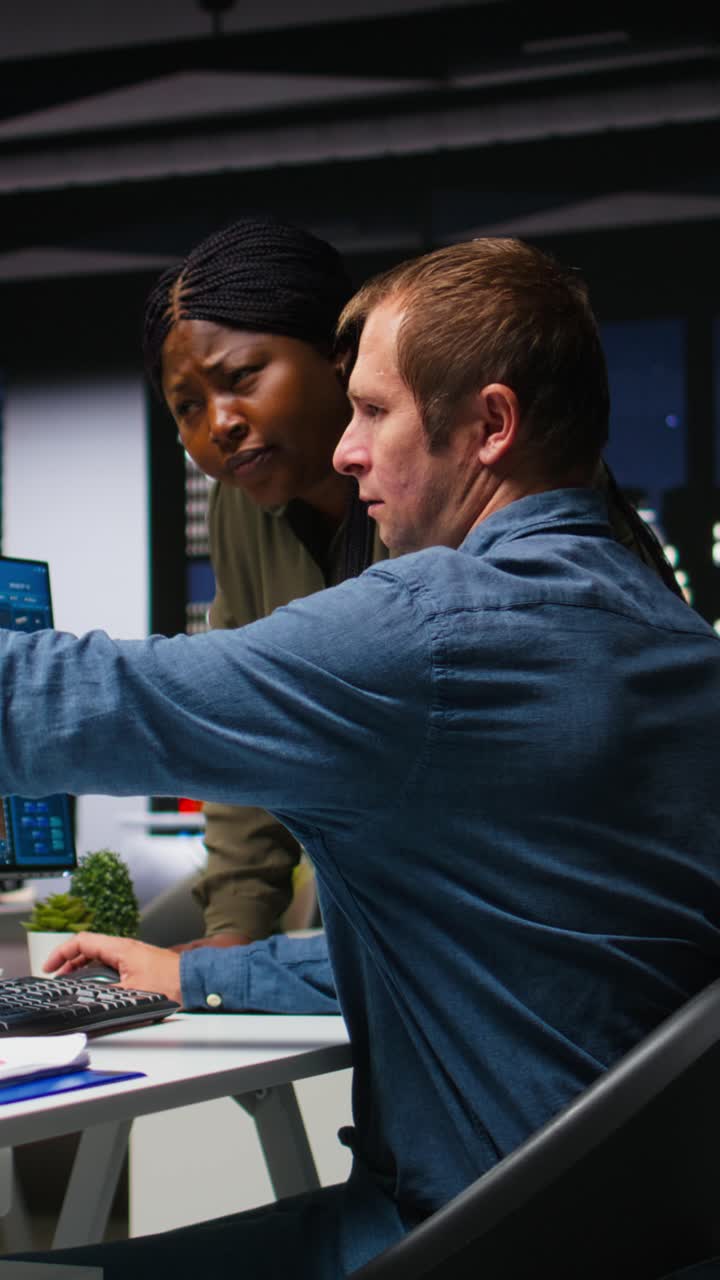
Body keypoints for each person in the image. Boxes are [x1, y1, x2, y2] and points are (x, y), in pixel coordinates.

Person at [3, 236, 719, 1279]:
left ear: (490, 426)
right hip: (630, 1237)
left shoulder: (424, 633)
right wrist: (201, 972)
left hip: (453, 1237)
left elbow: (70, 700)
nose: (346, 449)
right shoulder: (675, 639)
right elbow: (511, 949)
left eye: (374, 412)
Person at [139, 215, 388, 951]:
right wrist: (231, 935)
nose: (219, 424)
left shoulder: (442, 481)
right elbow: (243, 722)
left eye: (242, 377)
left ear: (336, 354)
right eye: (187, 407)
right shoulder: (241, 506)